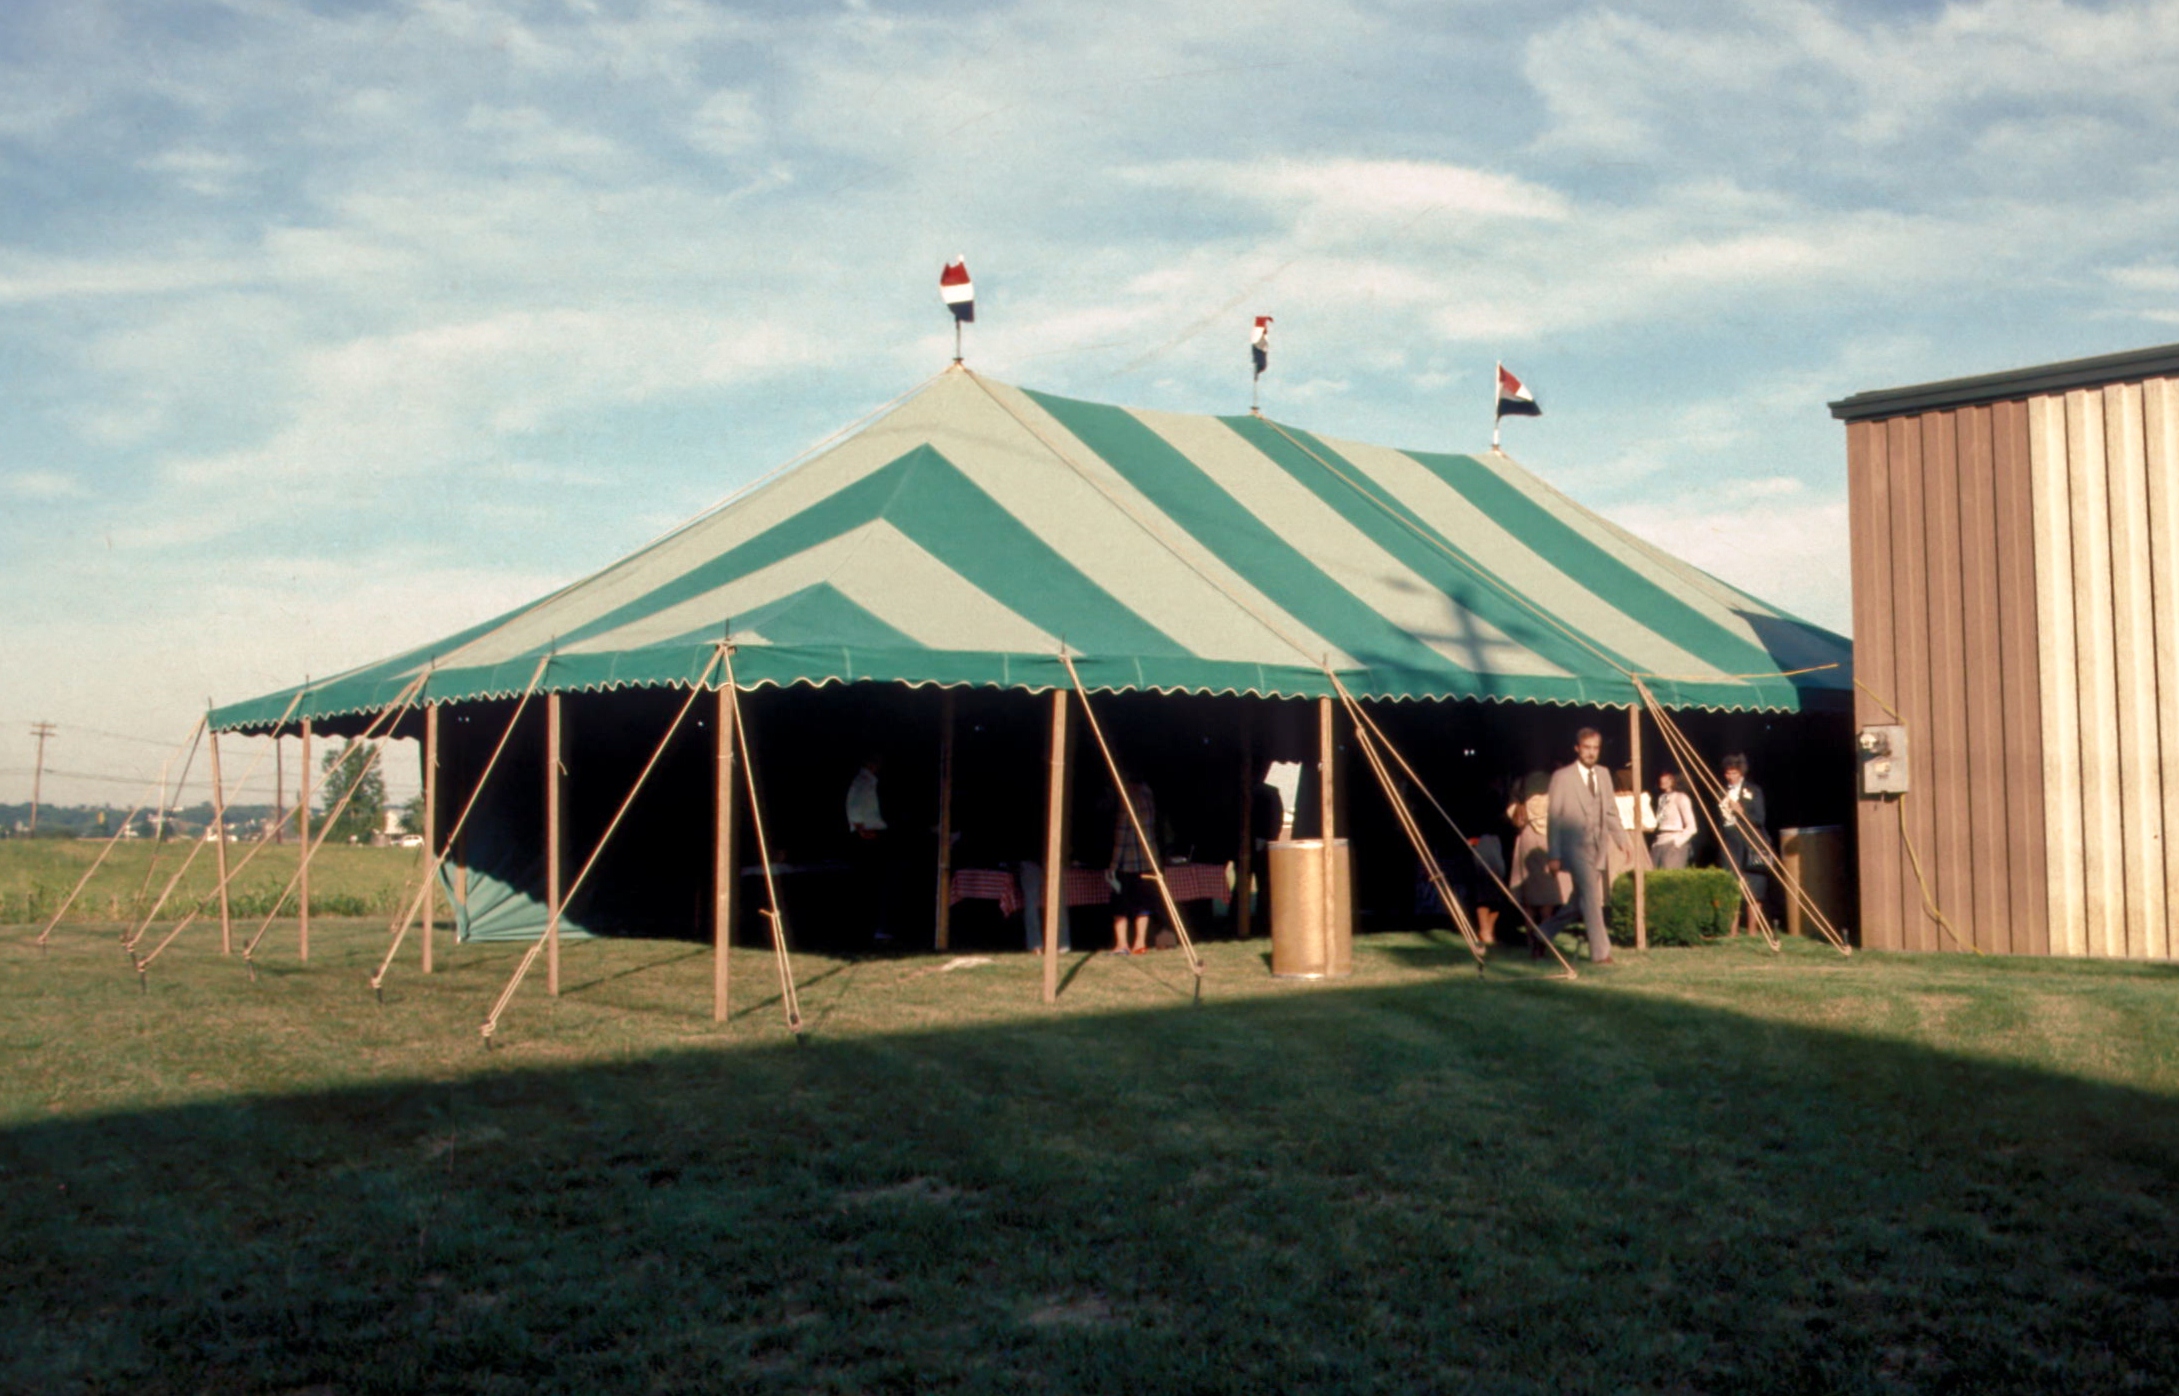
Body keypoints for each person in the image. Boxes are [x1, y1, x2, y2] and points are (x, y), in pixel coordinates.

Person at [1544, 727, 1631, 964]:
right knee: (1593, 898)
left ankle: (1541, 935)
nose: (1591, 753)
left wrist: (1623, 839)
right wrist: (1553, 854)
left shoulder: (1603, 774)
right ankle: (1601, 953)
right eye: (1587, 748)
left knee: (1578, 902)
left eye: (1596, 748)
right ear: (1577, 748)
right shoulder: (1562, 777)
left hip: (1597, 847)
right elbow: (1554, 818)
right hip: (1574, 848)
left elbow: (1611, 812)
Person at [1717, 754, 1769, 936]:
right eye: (1727, 773)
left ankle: (1753, 930)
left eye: (1733, 773)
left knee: (1753, 885)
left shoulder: (1753, 791)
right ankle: (1732, 930)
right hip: (1730, 844)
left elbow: (1760, 818)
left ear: (1741, 773)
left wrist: (1742, 811)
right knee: (1732, 884)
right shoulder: (1721, 792)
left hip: (1749, 843)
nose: (1730, 776)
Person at [845, 754, 893, 946]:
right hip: (867, 836)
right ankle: (866, 929)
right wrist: (861, 829)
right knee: (870, 882)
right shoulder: (862, 782)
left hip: (873, 833)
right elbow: (854, 806)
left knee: (874, 882)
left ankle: (873, 928)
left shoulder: (870, 781)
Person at [1108, 779, 1160, 955]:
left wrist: (1113, 866)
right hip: (1147, 861)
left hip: (1127, 863)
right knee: (1142, 903)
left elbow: (1121, 836)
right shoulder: (1148, 795)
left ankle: (1122, 944)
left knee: (1120, 904)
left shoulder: (1127, 799)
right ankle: (1140, 942)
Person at [1651, 770, 1698, 869]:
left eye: (1668, 779)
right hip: (1660, 841)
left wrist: (1677, 843)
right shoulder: (1662, 798)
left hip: (1673, 840)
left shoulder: (1681, 797)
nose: (1663, 780)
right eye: (1662, 778)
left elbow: (1692, 827)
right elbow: (1659, 821)